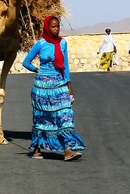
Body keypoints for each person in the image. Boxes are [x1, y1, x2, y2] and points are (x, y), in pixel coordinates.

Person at [22, 15, 87, 161]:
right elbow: (25, 62)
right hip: (42, 88)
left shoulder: (63, 43)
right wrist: (37, 70)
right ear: (47, 27)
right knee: (41, 118)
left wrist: (69, 88)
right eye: (53, 26)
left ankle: (68, 150)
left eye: (58, 26)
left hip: (59, 85)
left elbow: (66, 67)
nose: (56, 29)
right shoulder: (40, 44)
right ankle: (37, 149)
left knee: (66, 115)